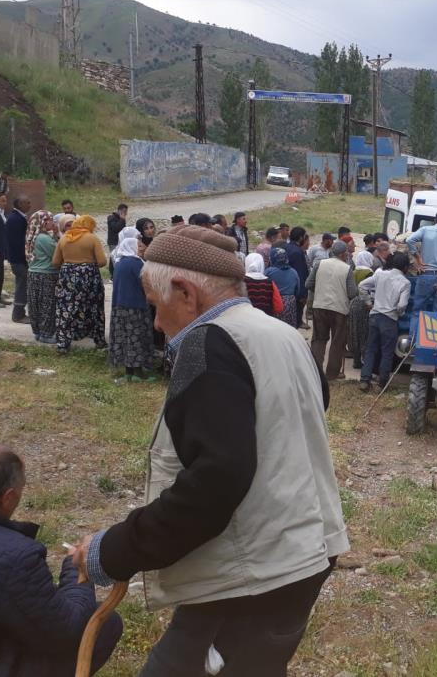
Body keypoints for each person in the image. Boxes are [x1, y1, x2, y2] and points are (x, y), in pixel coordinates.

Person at [70, 225, 348, 676]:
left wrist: (115, 550)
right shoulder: (283, 334)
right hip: (305, 551)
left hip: (257, 575)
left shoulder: (209, 342)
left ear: (185, 292)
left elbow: (215, 481)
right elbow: (307, 409)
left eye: (157, 308)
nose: (157, 325)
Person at [0, 444, 123, 676]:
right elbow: (68, 633)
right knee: (104, 623)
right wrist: (76, 568)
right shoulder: (12, 555)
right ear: (8, 498)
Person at [52, 215, 107, 354]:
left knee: (66, 308)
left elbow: (55, 262)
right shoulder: (92, 238)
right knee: (94, 307)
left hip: (67, 277)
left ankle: (63, 344)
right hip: (89, 276)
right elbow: (102, 262)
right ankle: (99, 340)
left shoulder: (64, 238)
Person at [358, 252, 411, 392]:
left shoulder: (379, 273)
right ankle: (382, 383)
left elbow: (362, 286)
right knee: (387, 352)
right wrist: (399, 313)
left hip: (374, 316)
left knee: (370, 349)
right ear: (405, 267)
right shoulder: (405, 282)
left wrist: (369, 303)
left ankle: (364, 380)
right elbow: (402, 306)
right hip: (390, 319)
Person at [307, 240, 358, 379]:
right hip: (339, 310)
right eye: (346, 252)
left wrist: (320, 292)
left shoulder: (319, 264)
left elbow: (308, 284)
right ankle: (332, 374)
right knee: (337, 342)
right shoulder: (347, 269)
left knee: (318, 339)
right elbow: (353, 293)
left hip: (319, 306)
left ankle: (316, 372)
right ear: (343, 254)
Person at [108, 237, 156, 382]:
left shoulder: (120, 262)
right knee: (137, 339)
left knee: (125, 339)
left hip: (119, 307)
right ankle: (139, 373)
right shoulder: (136, 264)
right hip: (135, 307)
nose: (143, 248)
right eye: (140, 245)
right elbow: (146, 285)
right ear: (132, 247)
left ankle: (128, 372)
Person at [26, 210, 59, 344]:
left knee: (36, 305)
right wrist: (58, 234)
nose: (53, 222)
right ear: (43, 222)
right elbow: (57, 254)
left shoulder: (34, 236)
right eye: (51, 219)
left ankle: (38, 332)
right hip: (46, 274)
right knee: (47, 305)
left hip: (34, 273)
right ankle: (46, 333)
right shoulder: (44, 238)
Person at [6, 195, 31, 323]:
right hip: (18, 259)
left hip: (18, 259)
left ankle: (20, 312)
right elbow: (18, 242)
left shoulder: (19, 217)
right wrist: (25, 258)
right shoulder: (16, 219)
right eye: (27, 202)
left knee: (22, 284)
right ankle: (18, 314)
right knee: (22, 285)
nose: (30, 204)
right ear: (20, 204)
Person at [266, 248, 301, 328]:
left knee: (275, 327)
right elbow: (297, 290)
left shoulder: (268, 272)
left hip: (274, 302)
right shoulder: (293, 272)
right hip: (290, 302)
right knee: (289, 327)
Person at [244, 252, 285, 319]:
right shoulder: (270, 283)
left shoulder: (241, 282)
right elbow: (279, 307)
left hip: (246, 320)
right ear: (261, 264)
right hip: (265, 320)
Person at [287, 227, 311, 328]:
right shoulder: (297, 252)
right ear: (300, 237)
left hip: (288, 287)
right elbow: (300, 273)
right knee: (296, 317)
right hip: (296, 289)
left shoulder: (287, 247)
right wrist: (302, 294)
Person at [106, 203, 128, 277]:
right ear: (119, 211)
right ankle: (114, 275)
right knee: (114, 258)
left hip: (119, 241)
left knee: (117, 257)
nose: (125, 213)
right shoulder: (111, 218)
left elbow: (123, 229)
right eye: (123, 211)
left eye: (126, 212)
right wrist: (122, 219)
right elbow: (116, 228)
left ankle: (113, 274)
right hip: (113, 242)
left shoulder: (121, 219)